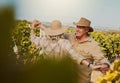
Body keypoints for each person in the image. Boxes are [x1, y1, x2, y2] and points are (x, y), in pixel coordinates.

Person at [37, 18, 110, 83]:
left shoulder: (93, 45)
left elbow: (102, 59)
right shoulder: (69, 36)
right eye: (77, 26)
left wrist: (105, 65)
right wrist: (41, 26)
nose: (77, 29)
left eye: (81, 27)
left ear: (87, 30)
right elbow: (54, 33)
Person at [30, 20, 101, 71]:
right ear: (61, 31)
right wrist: (90, 65)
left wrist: (32, 28)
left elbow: (32, 38)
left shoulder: (43, 41)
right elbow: (76, 56)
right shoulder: (64, 42)